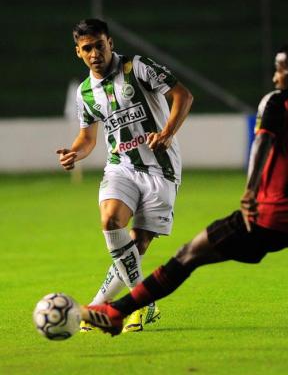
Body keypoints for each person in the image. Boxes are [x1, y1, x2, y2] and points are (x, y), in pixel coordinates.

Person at [81, 41, 288, 336]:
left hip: (267, 216)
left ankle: (117, 311)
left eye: (279, 69)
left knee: (189, 255)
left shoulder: (278, 101)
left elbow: (263, 143)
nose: (275, 75)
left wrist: (250, 192)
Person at [57, 18, 193, 333]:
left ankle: (96, 307)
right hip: (122, 166)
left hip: (161, 167)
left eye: (99, 45)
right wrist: (74, 152)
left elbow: (183, 96)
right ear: (78, 52)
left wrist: (168, 132)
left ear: (110, 43)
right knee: (110, 221)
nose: (94, 53)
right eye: (87, 48)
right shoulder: (85, 93)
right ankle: (140, 303)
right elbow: (88, 139)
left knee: (138, 243)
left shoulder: (137, 68)